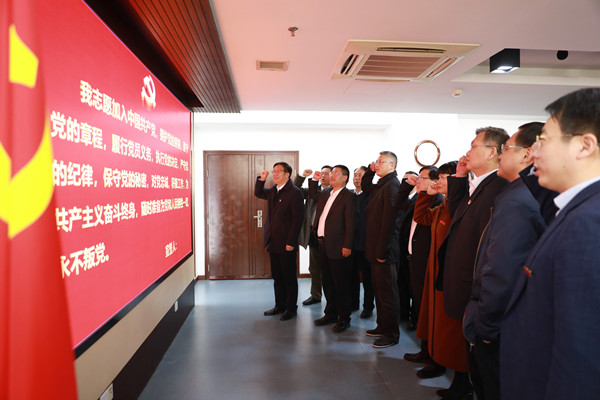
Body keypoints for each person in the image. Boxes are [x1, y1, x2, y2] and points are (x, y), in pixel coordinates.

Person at [501, 88, 600, 399]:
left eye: (544, 140)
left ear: (584, 145)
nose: (535, 153)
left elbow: (580, 358)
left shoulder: (589, 223)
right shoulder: (577, 207)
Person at [462, 122, 549, 400]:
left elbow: (502, 269)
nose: (501, 154)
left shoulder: (517, 199)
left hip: (498, 324)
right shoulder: (522, 193)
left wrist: (486, 325)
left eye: (507, 148)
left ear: (526, 154)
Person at [438, 127, 509, 399]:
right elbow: (457, 214)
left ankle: (467, 387)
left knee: (482, 362)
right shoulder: (479, 184)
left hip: (474, 281)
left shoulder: (498, 188)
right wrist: (458, 176)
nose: (467, 152)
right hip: (463, 276)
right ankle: (461, 384)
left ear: (492, 152)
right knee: (466, 344)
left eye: (473, 146)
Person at [410, 161, 471, 398]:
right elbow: (421, 217)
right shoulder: (442, 205)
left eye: (443, 178)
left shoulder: (459, 207)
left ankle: (460, 380)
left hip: (450, 274)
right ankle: (435, 359)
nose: (438, 182)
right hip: (434, 271)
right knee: (435, 321)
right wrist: (425, 193)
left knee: (451, 329)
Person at [361, 151, 402, 348]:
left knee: (388, 294)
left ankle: (391, 333)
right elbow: (366, 187)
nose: (377, 164)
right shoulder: (382, 184)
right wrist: (369, 171)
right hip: (375, 248)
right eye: (376, 161)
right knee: (379, 291)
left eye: (381, 162)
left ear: (392, 165)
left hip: (384, 251)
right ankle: (382, 326)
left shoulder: (393, 185)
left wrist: (382, 252)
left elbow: (390, 223)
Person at [255, 162, 304, 321]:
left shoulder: (295, 193)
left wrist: (291, 242)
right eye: (274, 171)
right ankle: (279, 305)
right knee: (277, 277)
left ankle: (291, 308)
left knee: (289, 278)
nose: (275, 174)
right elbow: (258, 193)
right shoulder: (274, 191)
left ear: (287, 174)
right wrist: (262, 179)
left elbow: (298, 220)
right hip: (273, 241)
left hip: (287, 243)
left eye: (279, 171)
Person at [309, 165, 356, 332]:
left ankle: (344, 318)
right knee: (327, 282)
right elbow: (312, 193)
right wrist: (314, 179)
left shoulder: (349, 196)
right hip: (322, 244)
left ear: (345, 177)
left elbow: (351, 223)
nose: (332, 175)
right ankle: (330, 313)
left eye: (336, 173)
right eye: (332, 172)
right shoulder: (326, 192)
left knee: (341, 284)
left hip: (339, 246)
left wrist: (347, 245)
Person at [295, 165, 332, 306]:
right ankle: (315, 295)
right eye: (321, 173)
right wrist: (302, 176)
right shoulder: (312, 191)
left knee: (330, 268)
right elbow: (295, 190)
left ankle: (333, 298)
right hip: (313, 234)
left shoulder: (334, 193)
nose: (323, 176)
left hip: (330, 236)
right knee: (315, 267)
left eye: (326, 173)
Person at [349, 166, 374, 319]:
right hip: (350, 244)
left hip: (366, 244)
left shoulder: (371, 195)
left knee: (368, 278)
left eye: (361, 175)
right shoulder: (349, 195)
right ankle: (353, 303)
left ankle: (368, 306)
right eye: (355, 175)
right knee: (351, 276)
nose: (357, 178)